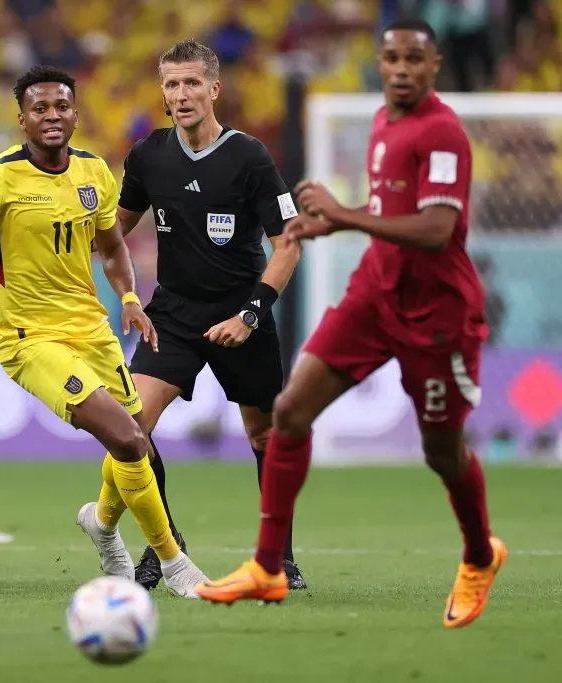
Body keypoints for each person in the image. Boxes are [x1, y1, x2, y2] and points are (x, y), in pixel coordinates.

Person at [196, 20, 506, 629]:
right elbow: (391, 211)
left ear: (435, 64)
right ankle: (267, 567)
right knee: (288, 413)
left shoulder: (442, 133)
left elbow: (437, 229)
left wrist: (343, 216)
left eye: (413, 59)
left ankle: (478, 554)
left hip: (437, 314)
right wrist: (332, 222)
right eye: (390, 58)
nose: (400, 69)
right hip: (373, 296)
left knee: (442, 452)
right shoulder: (384, 122)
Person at [0, 65, 209, 598]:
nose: (52, 116)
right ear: (22, 119)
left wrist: (129, 297)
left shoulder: (94, 171)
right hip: (30, 340)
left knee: (136, 444)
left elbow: (112, 246)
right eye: (40, 109)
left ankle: (101, 525)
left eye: (61, 107)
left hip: (93, 332)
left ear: (76, 114)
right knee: (129, 440)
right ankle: (176, 565)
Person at [116, 39, 305, 591]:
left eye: (191, 83)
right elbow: (110, 232)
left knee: (265, 437)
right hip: (172, 312)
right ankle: (163, 549)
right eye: (171, 85)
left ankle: (278, 557)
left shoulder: (250, 156)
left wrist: (250, 314)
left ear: (214, 89)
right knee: (130, 430)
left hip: (241, 310)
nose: (180, 95)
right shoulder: (149, 154)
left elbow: (288, 245)